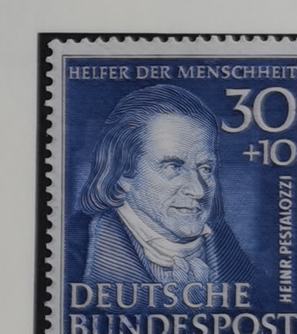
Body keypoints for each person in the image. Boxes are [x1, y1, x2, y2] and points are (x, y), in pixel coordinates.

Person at [69, 83, 261, 293]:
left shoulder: (223, 247)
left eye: (205, 168)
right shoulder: (75, 249)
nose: (199, 191)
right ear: (123, 172)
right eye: (173, 167)